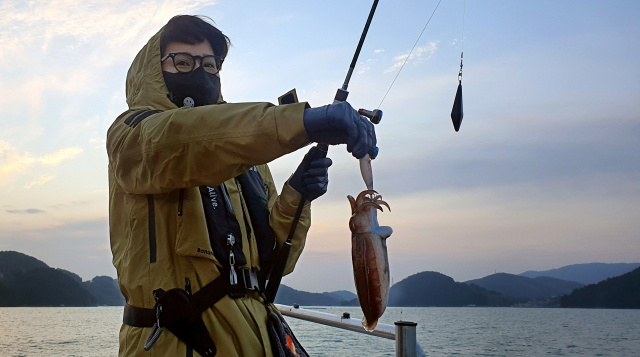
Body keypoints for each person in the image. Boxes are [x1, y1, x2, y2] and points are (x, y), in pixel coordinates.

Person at [107, 15, 376, 357]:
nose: (200, 72)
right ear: (155, 73)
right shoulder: (130, 135)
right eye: (184, 62)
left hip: (258, 334)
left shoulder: (248, 160)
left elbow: (278, 260)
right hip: (176, 343)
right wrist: (303, 121)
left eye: (210, 65)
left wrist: (297, 194)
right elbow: (182, 140)